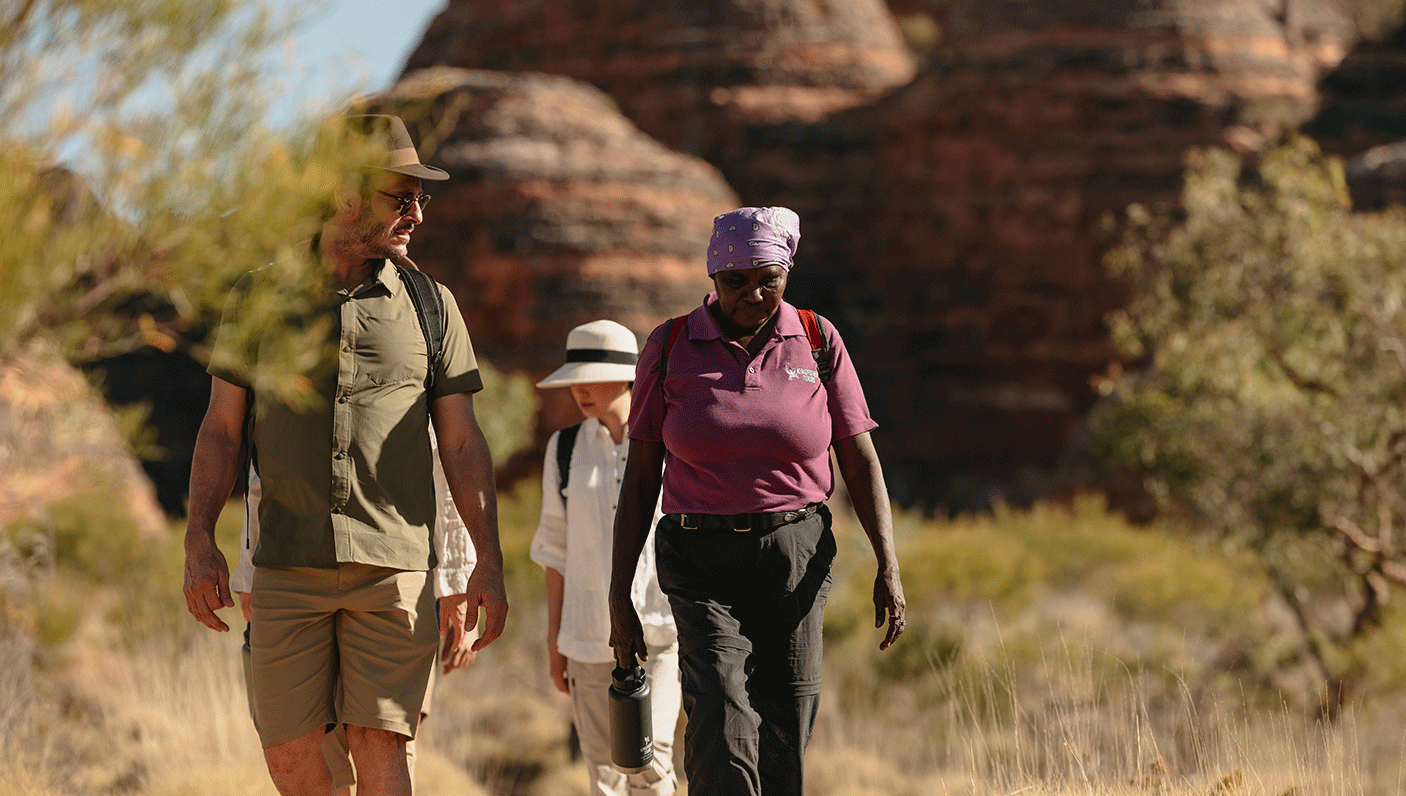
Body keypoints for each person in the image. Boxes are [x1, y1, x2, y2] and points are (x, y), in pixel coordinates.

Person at [182, 113, 509, 796]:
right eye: (402, 197)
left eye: (423, 198)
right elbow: (220, 429)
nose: (418, 214)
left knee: (380, 743)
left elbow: (462, 440)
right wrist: (198, 541)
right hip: (286, 563)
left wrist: (485, 562)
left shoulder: (431, 305)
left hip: (395, 569)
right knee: (292, 758)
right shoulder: (259, 300)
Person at [607, 207, 906, 796]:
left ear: (787, 272)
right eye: (736, 280)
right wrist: (619, 595)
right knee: (720, 721)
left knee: (787, 722)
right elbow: (641, 475)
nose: (753, 292)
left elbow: (859, 459)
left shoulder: (818, 340)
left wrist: (888, 562)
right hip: (700, 558)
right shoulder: (671, 345)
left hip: (794, 555)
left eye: (768, 277)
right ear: (713, 278)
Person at [233, 421, 479, 795]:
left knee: (388, 738)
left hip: (401, 578)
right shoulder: (290, 376)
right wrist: (249, 568)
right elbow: (262, 476)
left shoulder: (410, 373)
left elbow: (449, 469)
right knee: (319, 743)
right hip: (294, 573)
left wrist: (458, 583)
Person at [531, 320, 681, 796]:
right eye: (574, 376)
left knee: (649, 759)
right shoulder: (565, 448)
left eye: (591, 375)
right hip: (587, 638)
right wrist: (555, 637)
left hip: (659, 632)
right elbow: (553, 549)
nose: (580, 388)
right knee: (605, 774)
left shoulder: (669, 446)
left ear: (627, 378)